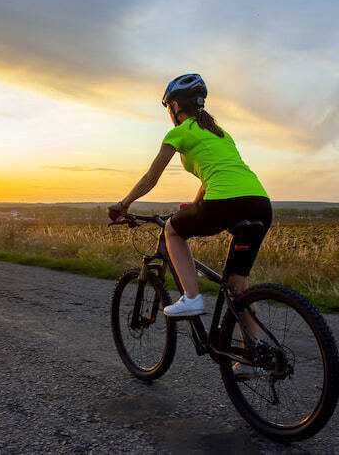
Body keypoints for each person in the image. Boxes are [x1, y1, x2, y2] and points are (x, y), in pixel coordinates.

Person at [109, 74, 272, 378]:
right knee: (238, 286)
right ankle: (253, 352)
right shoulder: (219, 132)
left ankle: (192, 298)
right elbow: (214, 177)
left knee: (172, 229)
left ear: (173, 107)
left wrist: (124, 204)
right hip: (260, 203)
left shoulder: (181, 132)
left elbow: (150, 178)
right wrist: (195, 204)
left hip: (226, 201)